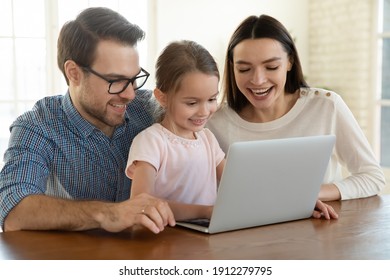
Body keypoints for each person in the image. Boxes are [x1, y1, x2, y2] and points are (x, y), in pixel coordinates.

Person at [0, 7, 175, 233]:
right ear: (74, 73)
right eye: (116, 80)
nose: (130, 94)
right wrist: (107, 213)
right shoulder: (37, 126)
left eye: (133, 79)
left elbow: (201, 112)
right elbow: (12, 209)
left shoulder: (149, 109)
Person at [207, 14, 386, 204]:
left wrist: (311, 194)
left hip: (322, 229)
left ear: (290, 62)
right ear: (232, 67)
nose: (258, 80)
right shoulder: (214, 122)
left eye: (271, 67)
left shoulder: (326, 106)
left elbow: (372, 177)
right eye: (244, 69)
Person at [126, 40, 225, 221]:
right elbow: (142, 203)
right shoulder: (152, 141)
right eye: (192, 103)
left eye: (212, 99)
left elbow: (235, 180)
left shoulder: (207, 139)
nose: (204, 111)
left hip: (208, 235)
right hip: (168, 239)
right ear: (162, 97)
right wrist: (205, 212)